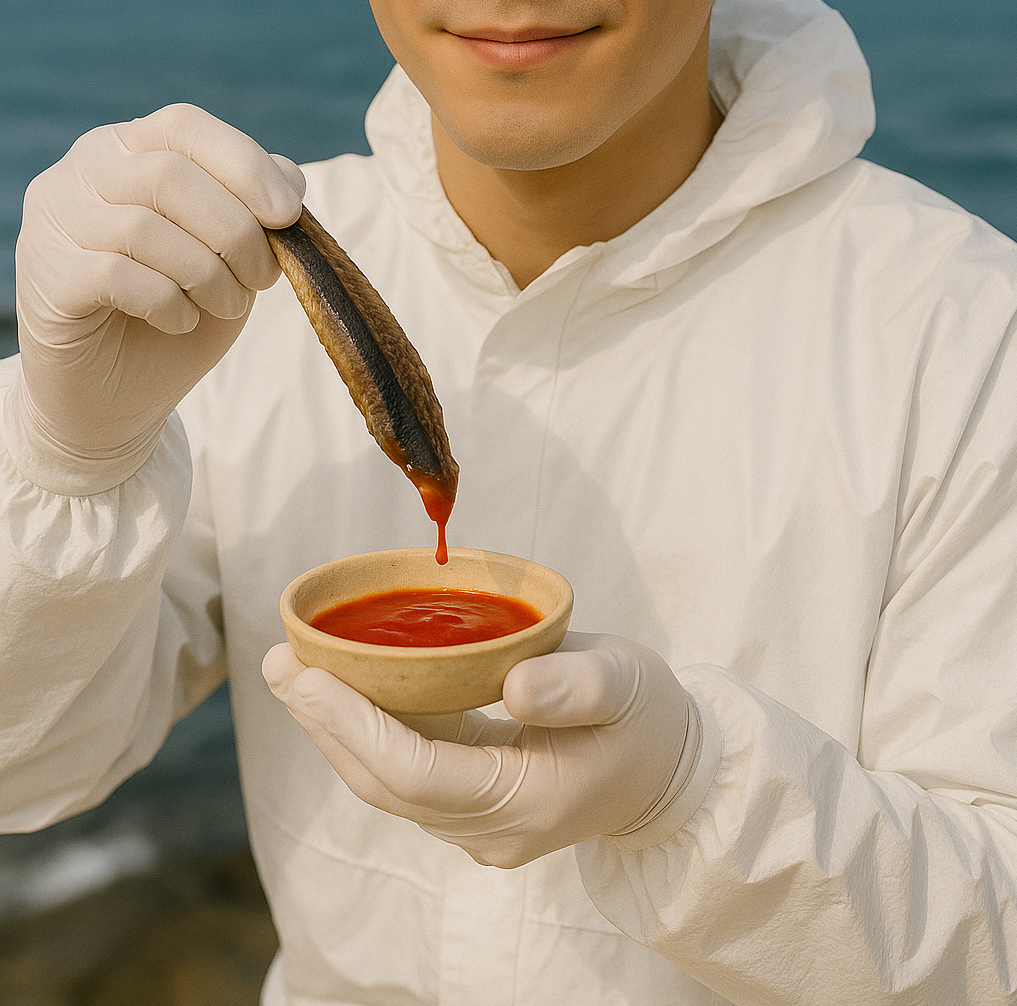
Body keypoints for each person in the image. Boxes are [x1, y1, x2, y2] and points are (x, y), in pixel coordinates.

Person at [2, 0, 1017, 1001]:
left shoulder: (968, 335)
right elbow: (24, 764)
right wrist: (68, 458)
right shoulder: (220, 287)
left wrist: (693, 794)